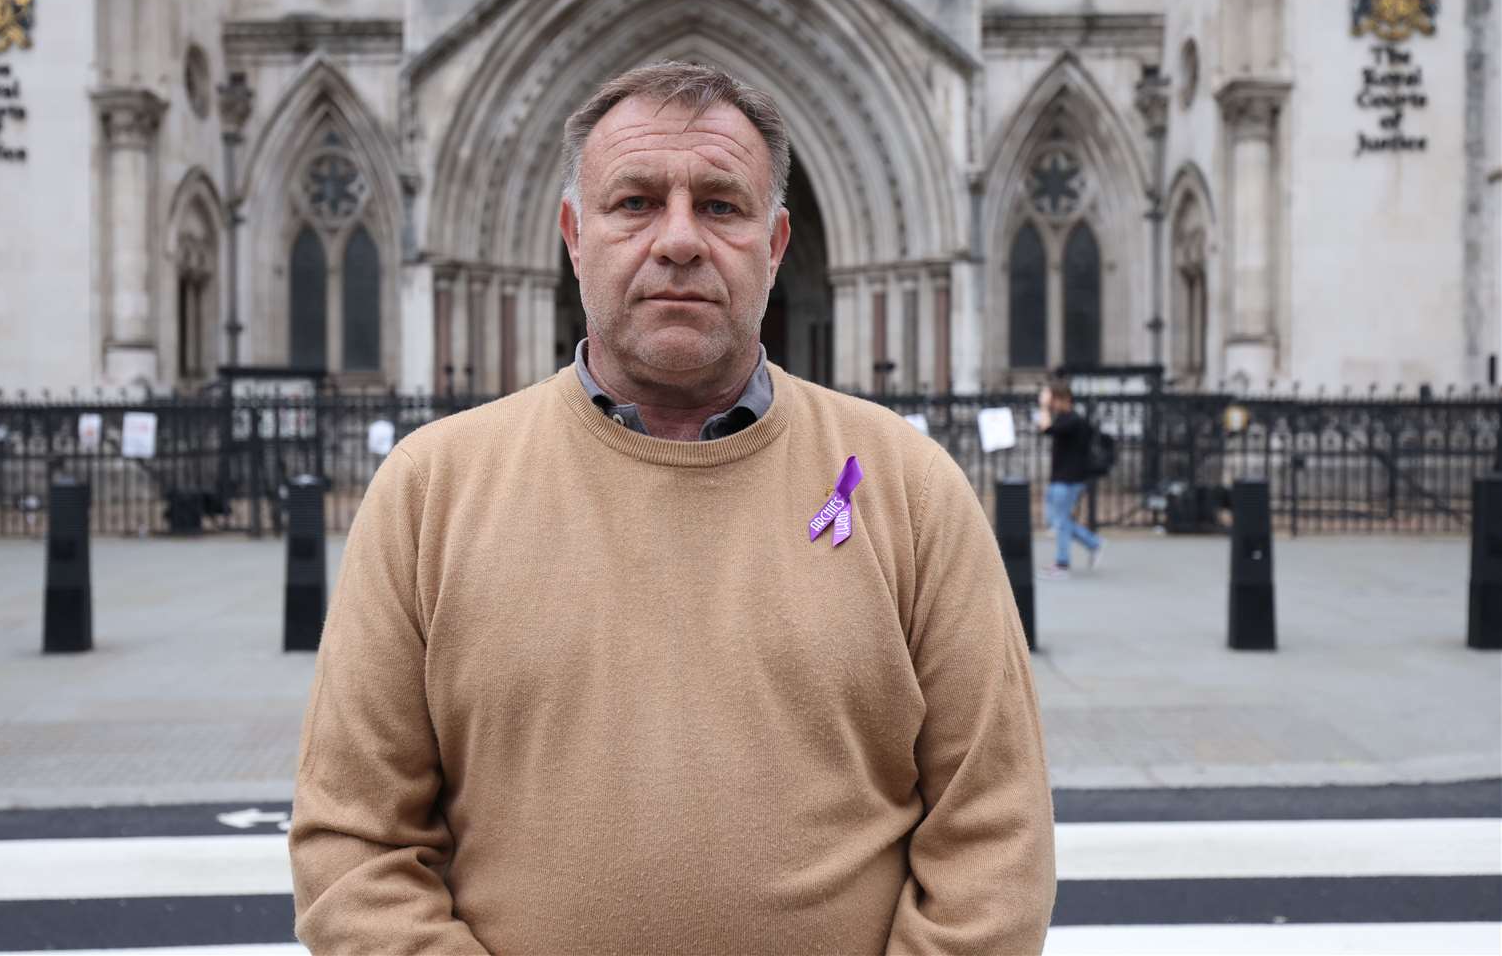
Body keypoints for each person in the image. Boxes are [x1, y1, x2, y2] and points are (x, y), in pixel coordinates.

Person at [289, 61, 1056, 954]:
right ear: (574, 236)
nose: (679, 240)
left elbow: (993, 832)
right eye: (635, 202)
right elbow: (354, 845)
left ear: (774, 247)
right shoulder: (430, 489)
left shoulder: (907, 484)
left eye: (722, 206)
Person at [1035, 379, 1106, 580]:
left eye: (1053, 399)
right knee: (1056, 520)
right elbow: (1045, 428)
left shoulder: (1073, 420)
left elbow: (1046, 429)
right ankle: (1094, 543)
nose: (1051, 404)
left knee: (1061, 521)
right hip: (1062, 478)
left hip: (1068, 479)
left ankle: (1062, 563)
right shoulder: (1065, 418)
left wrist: (1042, 406)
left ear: (1063, 398)